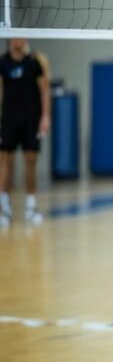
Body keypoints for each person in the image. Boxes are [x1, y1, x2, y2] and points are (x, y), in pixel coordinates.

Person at [0, 38, 50, 226]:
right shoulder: (3, 62)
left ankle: (30, 207)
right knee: (6, 160)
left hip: (31, 119)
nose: (17, 40)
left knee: (30, 159)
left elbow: (44, 89)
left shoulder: (35, 62)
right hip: (9, 120)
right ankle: (5, 209)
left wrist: (45, 116)